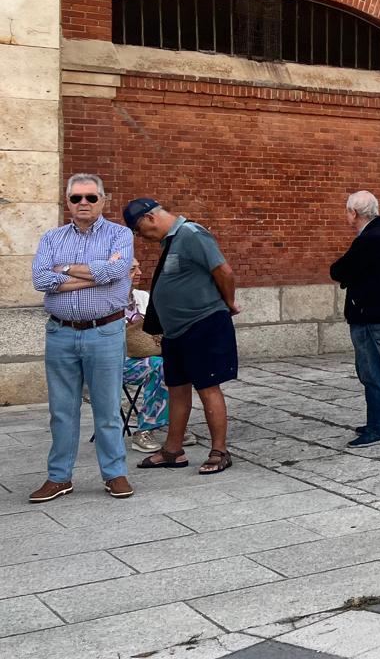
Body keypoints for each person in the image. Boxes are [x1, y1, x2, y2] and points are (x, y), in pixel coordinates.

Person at [29, 174, 134, 503]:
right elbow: (40, 279)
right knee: (61, 411)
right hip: (60, 332)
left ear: (103, 200)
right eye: (76, 198)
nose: (83, 203)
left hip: (105, 331)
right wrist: (94, 275)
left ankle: (115, 473)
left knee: (106, 409)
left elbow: (115, 273)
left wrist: (64, 269)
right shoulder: (51, 237)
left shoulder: (120, 234)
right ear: (68, 201)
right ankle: (59, 477)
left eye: (91, 197)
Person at [124, 197, 240, 475]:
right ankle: (172, 450)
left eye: (140, 230)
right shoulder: (170, 242)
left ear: (150, 218)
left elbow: (224, 271)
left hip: (203, 324)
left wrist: (229, 303)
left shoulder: (191, 234)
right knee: (176, 388)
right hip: (176, 332)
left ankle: (219, 451)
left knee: (208, 388)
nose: (142, 237)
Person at [331, 190, 380, 447]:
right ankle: (379, 420)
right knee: (369, 370)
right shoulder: (379, 235)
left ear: (354, 213)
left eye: (347, 211)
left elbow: (339, 269)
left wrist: (348, 276)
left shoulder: (371, 239)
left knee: (372, 372)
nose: (345, 216)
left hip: (369, 314)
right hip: (373, 311)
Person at [123, 258, 174, 456]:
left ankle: (175, 423)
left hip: (147, 354)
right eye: (132, 269)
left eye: (138, 267)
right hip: (117, 362)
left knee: (174, 364)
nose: (139, 272)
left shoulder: (142, 297)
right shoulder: (106, 300)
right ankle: (144, 430)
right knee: (159, 365)